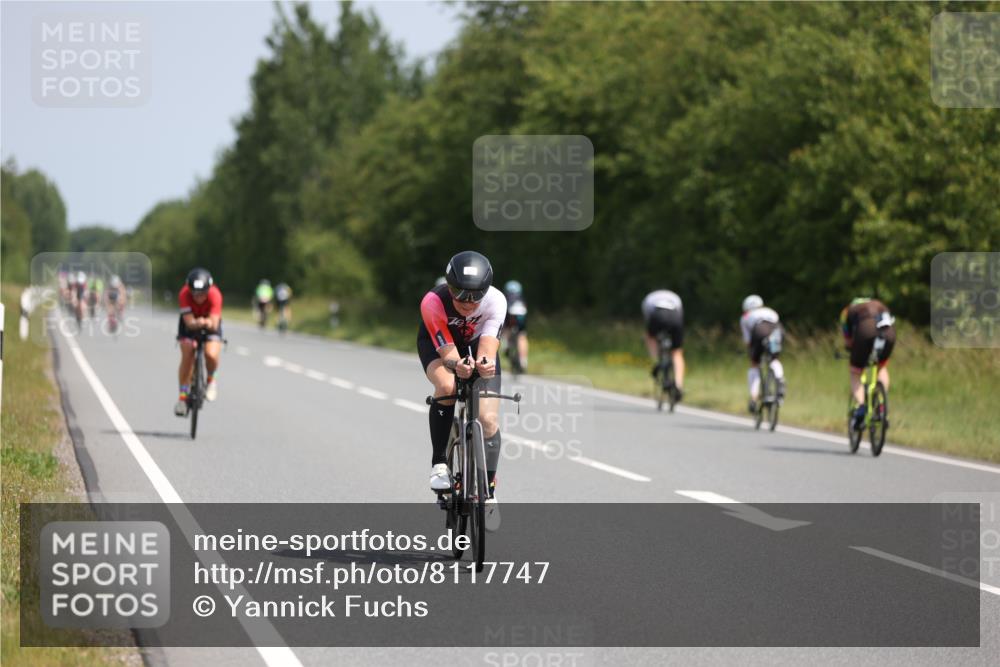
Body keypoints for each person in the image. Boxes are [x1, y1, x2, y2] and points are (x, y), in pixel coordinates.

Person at [418, 251, 506, 528]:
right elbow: (447, 353)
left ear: (486, 290)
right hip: (440, 346)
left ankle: (488, 492)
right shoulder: (433, 302)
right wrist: (457, 364)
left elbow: (489, 346)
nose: (467, 303)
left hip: (477, 345)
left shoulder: (496, 300)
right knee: (446, 385)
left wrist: (485, 364)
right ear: (448, 285)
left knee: (488, 420)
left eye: (475, 295)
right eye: (459, 294)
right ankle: (440, 463)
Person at [840, 297, 896, 431]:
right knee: (881, 366)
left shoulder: (847, 311)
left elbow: (848, 341)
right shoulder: (881, 305)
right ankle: (881, 405)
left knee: (855, 372)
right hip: (889, 333)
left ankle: (861, 407)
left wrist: (852, 350)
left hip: (865, 330)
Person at [175, 268, 223, 416]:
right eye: (194, 294)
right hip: (190, 324)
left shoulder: (215, 295)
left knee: (211, 354)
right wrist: (198, 323)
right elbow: (189, 322)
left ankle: (211, 380)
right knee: (187, 354)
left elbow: (214, 323)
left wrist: (206, 322)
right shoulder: (184, 294)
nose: (198, 298)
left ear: (208, 289)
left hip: (210, 323)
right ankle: (182, 398)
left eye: (202, 294)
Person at [740, 295, 785, 413]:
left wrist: (751, 352)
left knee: (754, 364)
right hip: (776, 330)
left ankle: (754, 398)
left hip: (760, 330)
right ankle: (780, 381)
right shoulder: (771, 311)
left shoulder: (746, 316)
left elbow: (748, 341)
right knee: (774, 359)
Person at [641, 289, 685, 399]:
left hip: (657, 315)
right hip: (675, 317)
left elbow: (648, 318)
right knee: (677, 353)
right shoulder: (675, 298)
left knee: (649, 337)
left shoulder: (649, 299)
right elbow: (680, 314)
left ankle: (656, 360)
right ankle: (678, 385)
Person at [503, 280, 529, 371]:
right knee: (522, 336)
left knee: (505, 330)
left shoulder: (506, 298)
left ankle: (505, 345)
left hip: (509, 316)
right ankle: (523, 361)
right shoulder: (521, 299)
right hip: (521, 316)